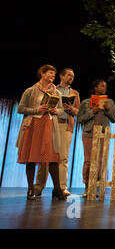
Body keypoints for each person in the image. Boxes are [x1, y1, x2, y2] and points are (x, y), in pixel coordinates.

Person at [16, 64, 66, 200]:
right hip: (33, 126)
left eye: (54, 74)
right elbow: (20, 108)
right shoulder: (30, 91)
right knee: (31, 157)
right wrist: (36, 110)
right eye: (49, 73)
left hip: (49, 125)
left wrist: (56, 111)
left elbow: (61, 110)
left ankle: (57, 189)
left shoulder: (56, 93)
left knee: (52, 157)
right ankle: (30, 189)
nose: (52, 76)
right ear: (42, 74)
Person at [34, 68, 80, 197]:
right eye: (69, 75)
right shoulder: (52, 89)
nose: (71, 78)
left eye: (73, 76)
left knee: (63, 158)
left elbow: (79, 111)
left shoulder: (74, 93)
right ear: (61, 76)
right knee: (44, 156)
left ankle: (61, 188)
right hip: (50, 124)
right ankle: (38, 186)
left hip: (65, 125)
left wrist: (72, 109)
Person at [78, 79, 115, 198]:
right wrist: (92, 112)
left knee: (100, 161)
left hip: (103, 134)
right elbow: (80, 119)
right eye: (101, 86)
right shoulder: (86, 102)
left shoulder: (109, 101)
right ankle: (87, 187)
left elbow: (114, 118)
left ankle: (97, 187)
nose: (104, 88)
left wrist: (108, 109)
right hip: (89, 133)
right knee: (89, 160)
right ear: (95, 87)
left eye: (105, 86)